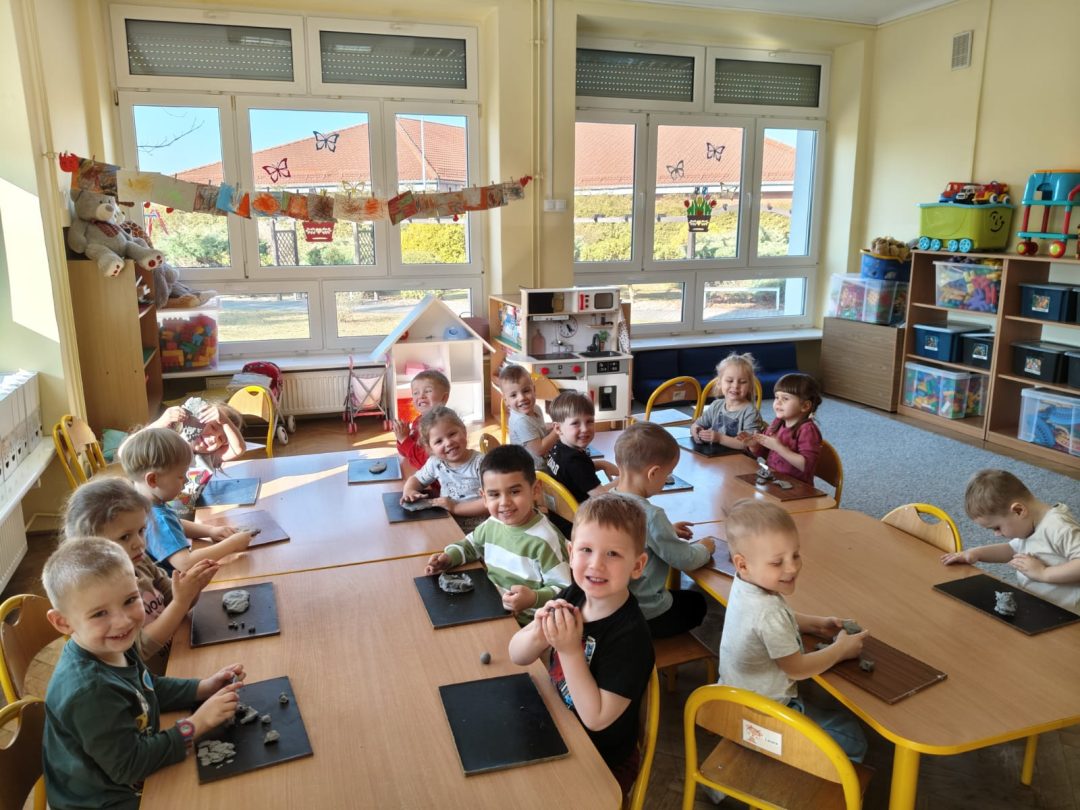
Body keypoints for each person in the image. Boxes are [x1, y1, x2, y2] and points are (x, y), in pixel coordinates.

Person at [41, 537, 244, 810]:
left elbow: (148, 688)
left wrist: (203, 687)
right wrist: (197, 724)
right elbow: (131, 766)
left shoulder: (114, 645)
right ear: (62, 622)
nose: (123, 621)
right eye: (99, 613)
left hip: (129, 769)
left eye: (129, 600)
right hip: (103, 800)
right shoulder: (90, 692)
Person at [509, 494, 654, 797]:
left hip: (602, 759)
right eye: (586, 550)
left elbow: (596, 719)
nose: (596, 564)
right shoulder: (573, 594)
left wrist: (569, 650)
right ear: (571, 553)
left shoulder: (631, 638)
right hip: (557, 726)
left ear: (637, 565)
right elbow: (517, 655)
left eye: (613, 554)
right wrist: (539, 632)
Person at [719, 499, 868, 764]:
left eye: (796, 555)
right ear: (742, 564)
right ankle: (799, 774)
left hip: (729, 703)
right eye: (777, 562)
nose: (792, 568)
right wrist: (841, 650)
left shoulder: (745, 585)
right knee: (853, 737)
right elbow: (797, 669)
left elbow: (768, 623)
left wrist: (816, 623)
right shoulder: (769, 611)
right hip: (762, 719)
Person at [62, 477, 218, 670]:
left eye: (141, 531)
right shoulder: (100, 594)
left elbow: (173, 597)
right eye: (125, 537)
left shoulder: (140, 561)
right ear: (90, 545)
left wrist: (193, 588)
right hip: (154, 678)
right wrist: (181, 601)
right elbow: (140, 648)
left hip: (178, 652)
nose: (139, 543)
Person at [425, 444, 571, 624]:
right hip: (493, 608)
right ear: (484, 497)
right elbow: (471, 545)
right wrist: (448, 558)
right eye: (494, 494)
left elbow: (564, 589)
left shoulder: (546, 540)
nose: (504, 503)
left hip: (529, 623)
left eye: (514, 492)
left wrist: (533, 598)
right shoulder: (493, 523)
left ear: (535, 490)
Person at [611, 422, 715, 638]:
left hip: (612, 609)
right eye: (669, 473)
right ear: (654, 473)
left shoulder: (604, 502)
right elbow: (684, 559)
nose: (668, 479)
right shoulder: (651, 516)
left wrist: (667, 530)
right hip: (644, 615)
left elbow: (634, 536)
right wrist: (705, 548)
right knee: (698, 602)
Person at [942, 469, 1080, 614]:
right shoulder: (1027, 525)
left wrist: (1043, 573)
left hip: (1069, 614)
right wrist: (976, 553)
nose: (996, 534)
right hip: (1039, 606)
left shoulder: (1059, 528)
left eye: (997, 527)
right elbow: (1012, 549)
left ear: (1019, 510)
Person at [120, 428, 252, 573]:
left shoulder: (143, 503)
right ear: (153, 480)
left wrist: (211, 531)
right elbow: (185, 563)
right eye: (181, 476)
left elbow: (174, 523)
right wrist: (233, 544)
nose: (187, 480)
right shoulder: (157, 518)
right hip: (172, 584)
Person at [544, 391, 619, 535]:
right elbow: (602, 497)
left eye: (589, 421)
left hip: (558, 518)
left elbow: (570, 473)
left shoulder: (558, 448)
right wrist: (621, 481)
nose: (585, 429)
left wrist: (602, 464)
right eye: (575, 423)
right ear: (558, 428)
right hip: (579, 525)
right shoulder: (575, 462)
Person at [401, 406, 488, 520]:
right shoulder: (436, 463)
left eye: (452, 434)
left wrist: (455, 508)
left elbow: (492, 500)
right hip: (448, 522)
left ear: (464, 431)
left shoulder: (482, 463)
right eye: (439, 441)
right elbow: (417, 479)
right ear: (430, 448)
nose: (448, 443)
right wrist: (409, 491)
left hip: (480, 527)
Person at [739, 372, 823, 484]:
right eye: (776, 397)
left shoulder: (808, 430)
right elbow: (764, 453)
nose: (778, 402)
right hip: (774, 480)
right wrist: (754, 446)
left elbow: (806, 466)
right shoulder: (777, 423)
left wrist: (778, 447)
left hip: (796, 487)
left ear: (805, 406)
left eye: (785, 398)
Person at [690, 351, 765, 450]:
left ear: (750, 386)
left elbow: (749, 445)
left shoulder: (750, 412)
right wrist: (696, 431)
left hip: (740, 458)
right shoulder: (716, 405)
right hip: (716, 455)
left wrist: (719, 438)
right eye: (730, 381)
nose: (735, 386)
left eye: (742, 382)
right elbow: (696, 424)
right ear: (719, 383)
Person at [149, 397, 246, 471]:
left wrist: (225, 422)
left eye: (221, 439)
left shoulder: (208, 458)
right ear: (196, 418)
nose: (214, 439)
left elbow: (238, 449)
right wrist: (161, 422)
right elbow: (139, 443)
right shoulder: (166, 441)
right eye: (213, 427)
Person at [499, 364, 559, 468]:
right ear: (506, 400)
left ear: (534, 390)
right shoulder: (520, 421)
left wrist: (551, 426)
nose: (522, 398)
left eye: (526, 391)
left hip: (545, 462)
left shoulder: (536, 409)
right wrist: (557, 431)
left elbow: (536, 428)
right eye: (513, 395)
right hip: (532, 470)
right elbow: (540, 450)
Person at [393, 369, 451, 476]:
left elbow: (427, 464)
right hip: (417, 472)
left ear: (444, 398)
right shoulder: (418, 420)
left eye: (428, 391)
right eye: (416, 393)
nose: (421, 396)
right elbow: (405, 453)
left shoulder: (440, 426)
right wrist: (401, 437)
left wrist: (404, 439)